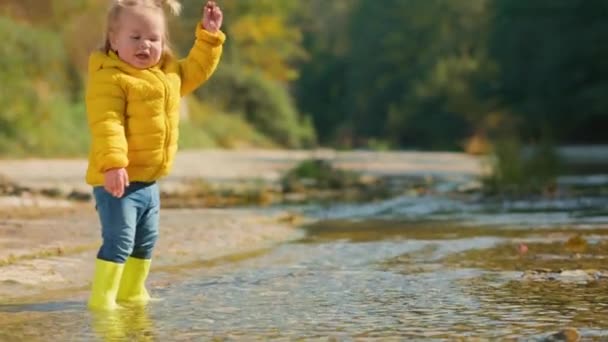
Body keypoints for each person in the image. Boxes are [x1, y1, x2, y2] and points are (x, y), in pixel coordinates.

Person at [85, 0, 224, 311]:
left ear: (164, 42)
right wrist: (113, 163)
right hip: (117, 180)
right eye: (135, 38)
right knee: (120, 240)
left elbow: (198, 69)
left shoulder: (168, 75)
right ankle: (103, 299)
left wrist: (209, 36)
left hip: (149, 182)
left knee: (145, 241)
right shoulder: (111, 77)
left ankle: (132, 292)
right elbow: (107, 121)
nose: (144, 45)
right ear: (114, 39)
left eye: (153, 39)